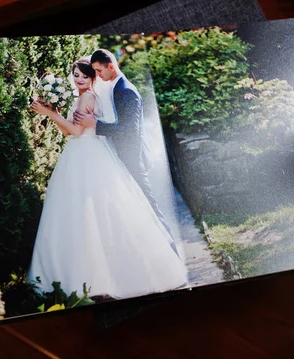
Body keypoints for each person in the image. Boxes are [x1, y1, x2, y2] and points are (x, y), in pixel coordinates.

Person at [27, 57, 187, 301]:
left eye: (84, 75)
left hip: (89, 156)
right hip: (78, 154)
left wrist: (49, 113)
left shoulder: (89, 97)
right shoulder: (79, 98)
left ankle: (107, 276)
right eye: (75, 74)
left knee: (95, 214)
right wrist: (57, 113)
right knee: (80, 216)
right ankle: (86, 276)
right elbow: (68, 130)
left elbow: (77, 131)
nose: (79, 79)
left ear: (92, 78)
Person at [73, 49, 179, 255]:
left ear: (110, 66)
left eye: (99, 70)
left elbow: (130, 132)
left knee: (150, 209)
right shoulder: (115, 88)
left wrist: (95, 124)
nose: (98, 75)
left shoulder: (125, 91)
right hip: (123, 159)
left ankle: (171, 254)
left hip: (132, 160)